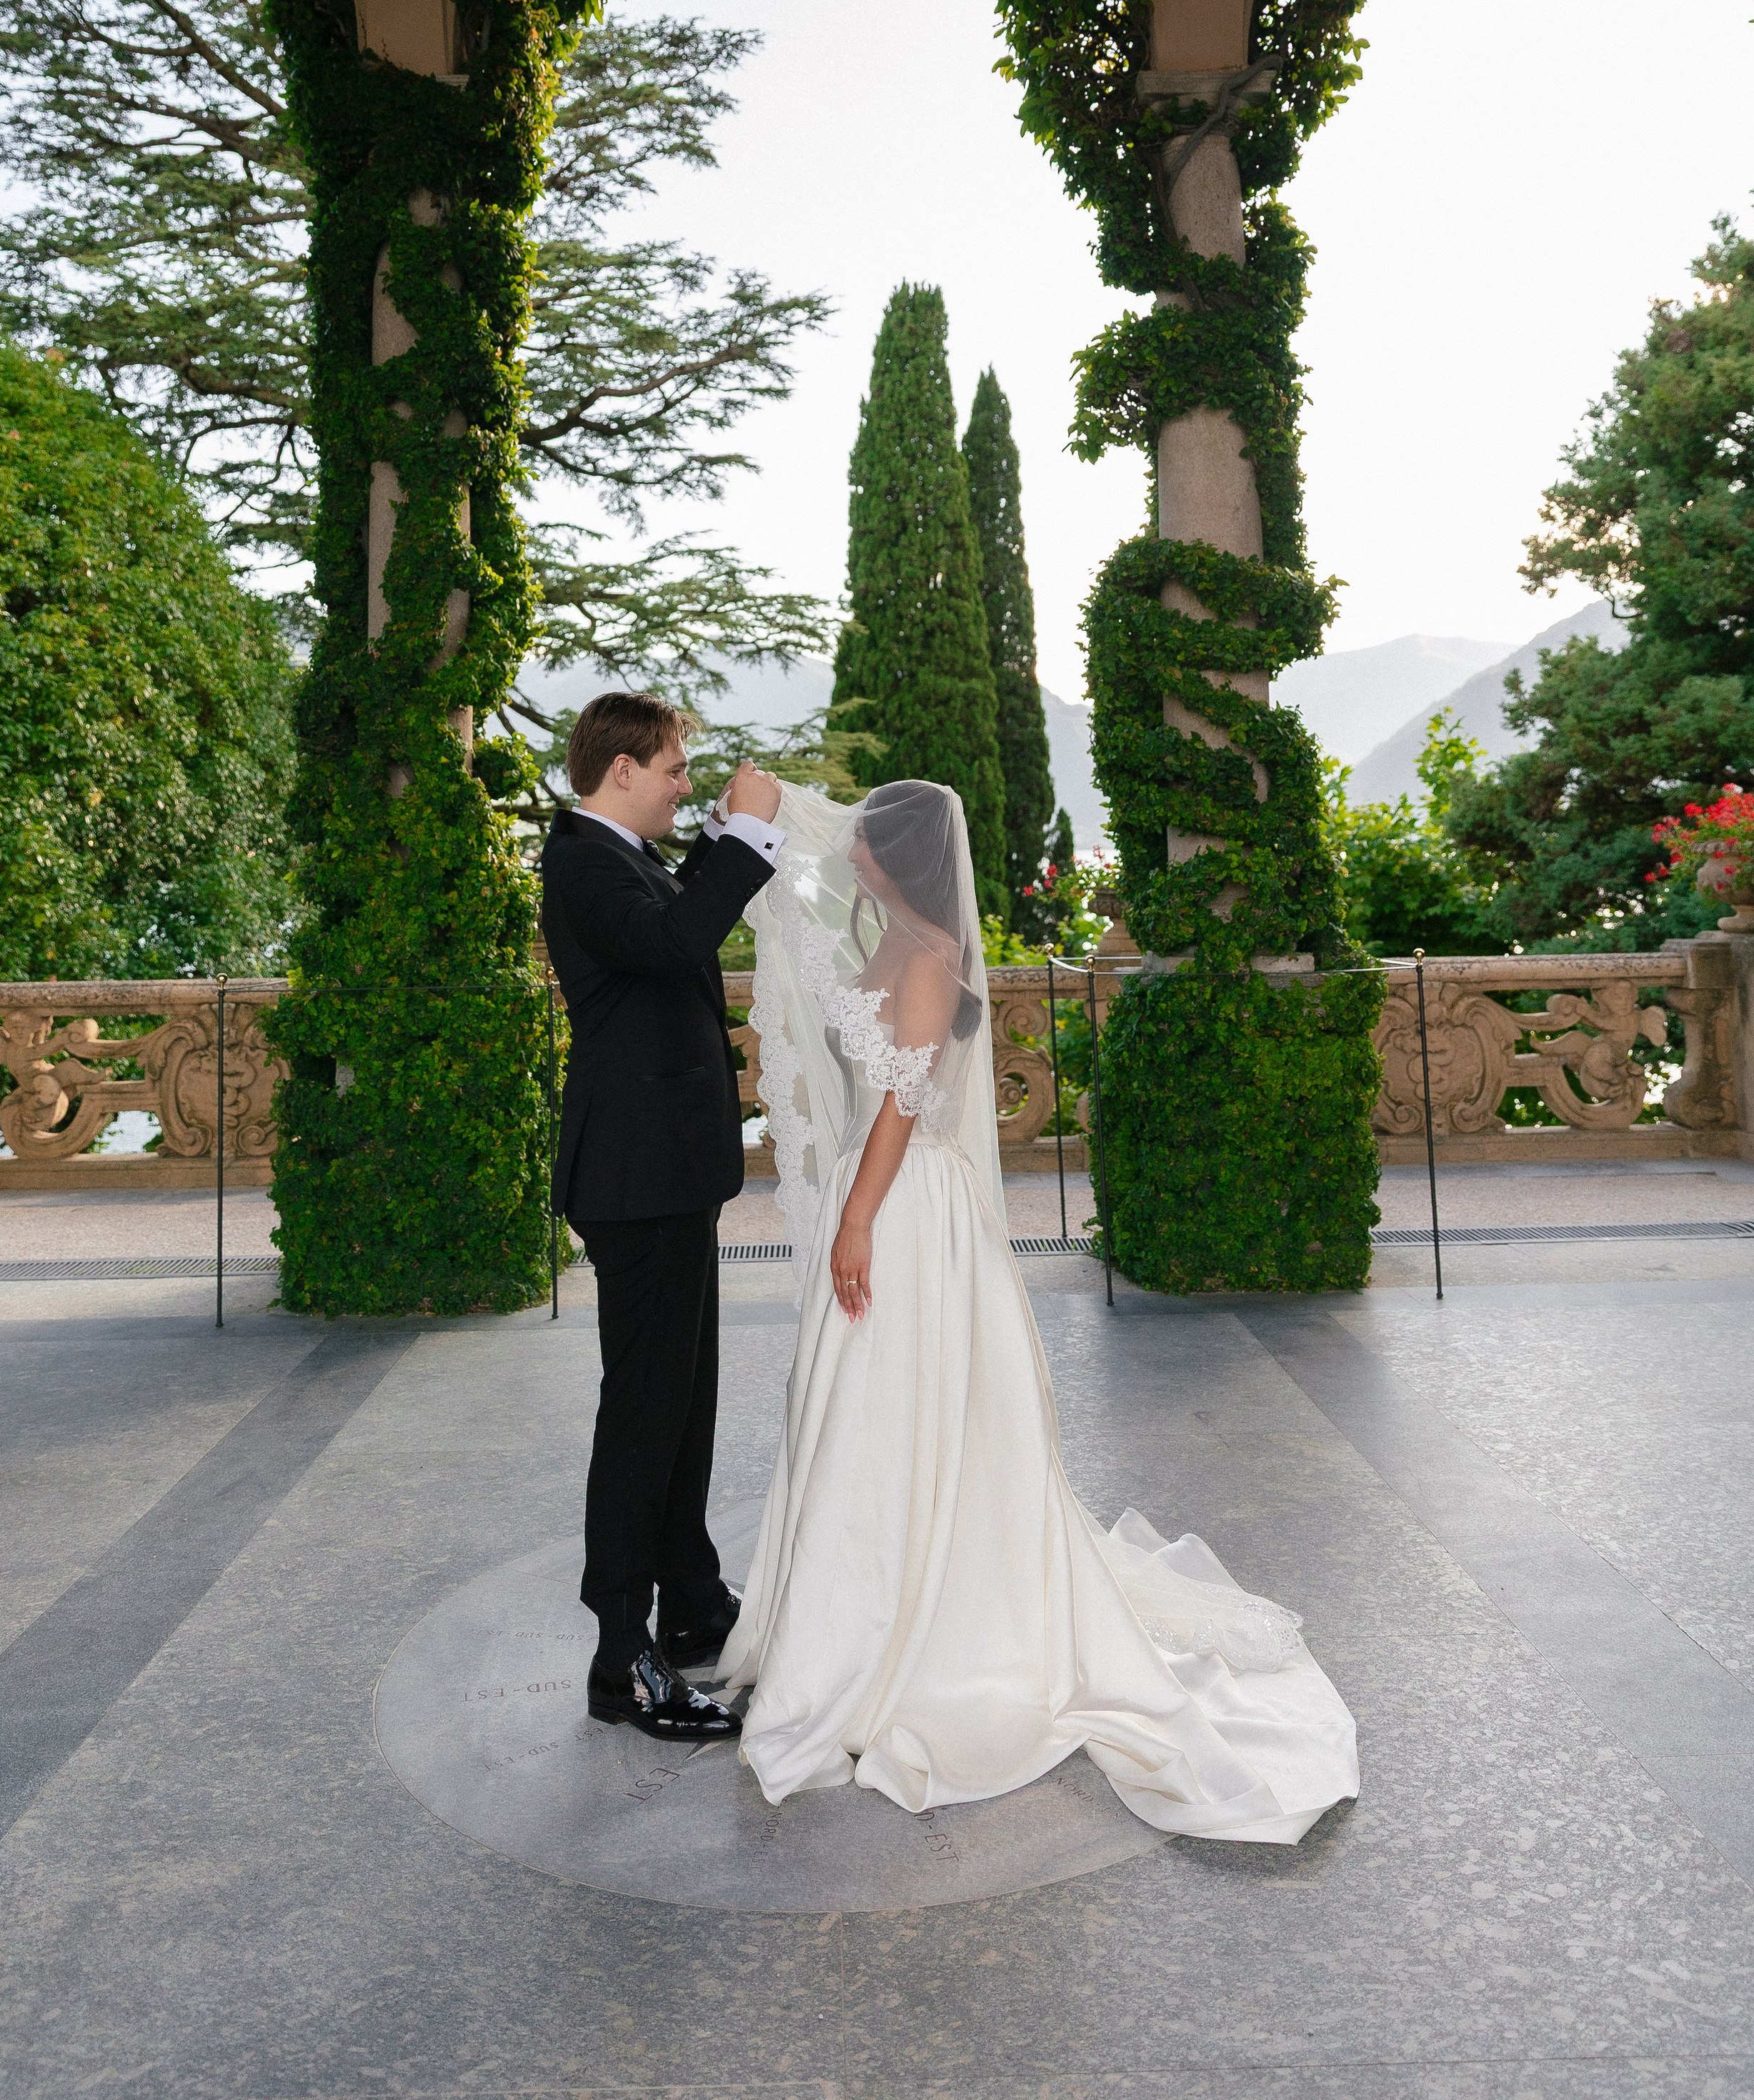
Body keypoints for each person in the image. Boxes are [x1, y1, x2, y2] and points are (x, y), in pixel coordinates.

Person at [718, 777, 1360, 1842]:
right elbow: (817, 965)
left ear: (904, 857)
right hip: (875, 1196)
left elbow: (900, 1102)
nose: (857, 852)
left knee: (910, 1407)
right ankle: (840, 1617)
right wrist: (769, 839)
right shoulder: (887, 935)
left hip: (908, 1205)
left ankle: (922, 1630)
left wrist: (859, 1219)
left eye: (871, 840)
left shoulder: (927, 957)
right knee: (853, 1417)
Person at [540, 692, 782, 1741]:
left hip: (669, 1176)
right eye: (677, 770)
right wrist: (749, 834)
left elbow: (675, 923)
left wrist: (722, 842)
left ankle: (690, 1607)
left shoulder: (621, 857)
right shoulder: (583, 863)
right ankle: (620, 1657)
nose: (688, 785)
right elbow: (682, 934)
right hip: (636, 1183)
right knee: (643, 1414)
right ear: (623, 770)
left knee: (684, 1402)